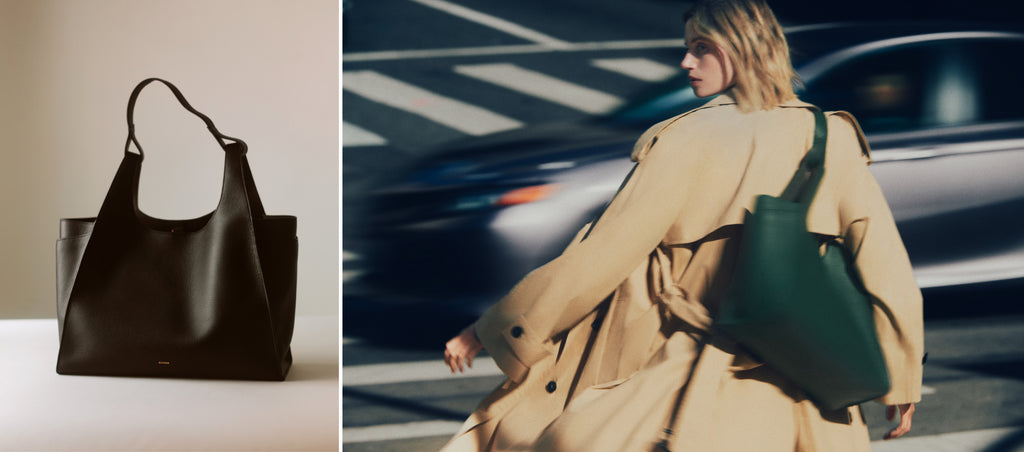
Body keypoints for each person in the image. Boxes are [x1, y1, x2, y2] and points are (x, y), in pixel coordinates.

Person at [441, 0, 924, 450]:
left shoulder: (683, 140)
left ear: (742, 48)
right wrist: (901, 379)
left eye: (701, 49)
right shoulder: (832, 138)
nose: (686, 63)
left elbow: (598, 259)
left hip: (689, 380)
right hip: (804, 384)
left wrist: (494, 327)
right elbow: (886, 268)